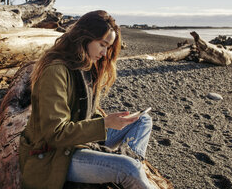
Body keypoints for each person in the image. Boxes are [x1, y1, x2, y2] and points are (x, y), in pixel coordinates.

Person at [19, 10, 154, 189]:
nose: (105, 53)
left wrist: (112, 120)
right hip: (54, 155)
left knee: (142, 120)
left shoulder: (86, 66)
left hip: (80, 141)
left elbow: (86, 112)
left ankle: (130, 156)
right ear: (84, 37)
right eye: (102, 44)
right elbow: (56, 134)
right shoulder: (56, 71)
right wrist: (105, 123)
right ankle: (129, 162)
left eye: (108, 47)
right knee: (129, 169)